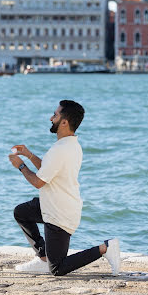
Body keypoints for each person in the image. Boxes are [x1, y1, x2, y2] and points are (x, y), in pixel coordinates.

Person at [9, 100, 121, 276]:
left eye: (55, 115)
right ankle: (43, 258)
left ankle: (104, 248)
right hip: (54, 204)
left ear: (64, 122)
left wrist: (21, 166)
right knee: (21, 212)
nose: (51, 118)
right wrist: (29, 154)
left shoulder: (60, 149)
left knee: (58, 269)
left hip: (59, 214)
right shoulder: (71, 144)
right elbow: (48, 168)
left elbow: (39, 182)